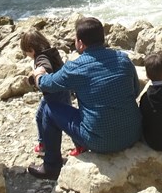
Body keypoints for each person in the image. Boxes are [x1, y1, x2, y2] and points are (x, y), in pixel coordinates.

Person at [28, 16, 142, 180]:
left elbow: (47, 84)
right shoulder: (123, 59)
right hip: (132, 134)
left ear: (80, 43)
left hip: (99, 141)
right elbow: (135, 91)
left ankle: (51, 166)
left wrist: (38, 75)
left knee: (48, 108)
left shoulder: (76, 67)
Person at [20, 28, 80, 158]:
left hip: (54, 94)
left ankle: (77, 144)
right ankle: (45, 144)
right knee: (55, 116)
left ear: (31, 49)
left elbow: (45, 67)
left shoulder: (41, 58)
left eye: (26, 52)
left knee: (59, 120)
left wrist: (34, 77)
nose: (27, 55)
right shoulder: (52, 52)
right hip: (63, 89)